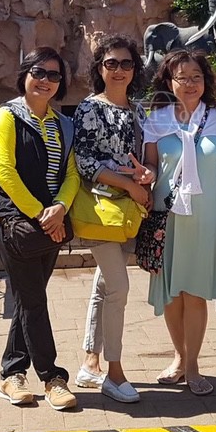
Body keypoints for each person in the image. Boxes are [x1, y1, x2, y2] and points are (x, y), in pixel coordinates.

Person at [0, 47, 79, 411]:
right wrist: (42, 215)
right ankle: (52, 377)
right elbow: (4, 172)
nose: (45, 81)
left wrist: (61, 208)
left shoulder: (63, 124)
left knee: (30, 299)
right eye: (39, 72)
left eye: (54, 75)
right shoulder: (7, 116)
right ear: (24, 75)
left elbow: (71, 174)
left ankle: (12, 373)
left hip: (51, 222)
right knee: (34, 300)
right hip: (14, 223)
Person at [142, 49, 216, 396]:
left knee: (195, 292)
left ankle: (193, 364)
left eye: (197, 76)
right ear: (169, 81)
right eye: (182, 77)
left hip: (206, 215)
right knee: (172, 293)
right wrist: (144, 175)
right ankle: (179, 358)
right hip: (167, 216)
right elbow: (152, 167)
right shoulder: (156, 120)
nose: (190, 83)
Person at [73, 35, 153, 403]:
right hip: (101, 208)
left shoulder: (138, 111)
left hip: (128, 211)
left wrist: (146, 176)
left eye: (126, 63)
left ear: (135, 69)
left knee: (104, 284)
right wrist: (129, 185)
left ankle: (90, 363)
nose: (119, 70)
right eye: (111, 63)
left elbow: (145, 159)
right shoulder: (90, 108)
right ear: (100, 68)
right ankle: (115, 373)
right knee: (119, 287)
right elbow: (85, 161)